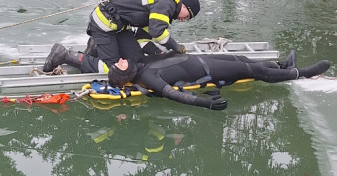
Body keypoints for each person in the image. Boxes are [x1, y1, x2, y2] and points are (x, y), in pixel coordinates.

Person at [103, 48, 331, 111]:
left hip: (204, 58)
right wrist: (205, 103)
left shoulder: (139, 63)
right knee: (253, 70)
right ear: (125, 75)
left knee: (243, 59)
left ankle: (283, 66)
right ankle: (299, 73)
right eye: (119, 65)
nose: (121, 60)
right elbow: (172, 94)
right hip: (210, 70)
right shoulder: (147, 77)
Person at [42, 0, 200, 74]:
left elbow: (143, 38)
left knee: (136, 60)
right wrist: (175, 47)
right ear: (184, 6)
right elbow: (157, 32)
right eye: (187, 16)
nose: (184, 20)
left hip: (118, 27)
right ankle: (64, 55)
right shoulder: (167, 5)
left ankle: (96, 47)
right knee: (114, 69)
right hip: (104, 24)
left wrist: (157, 53)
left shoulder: (163, 3)